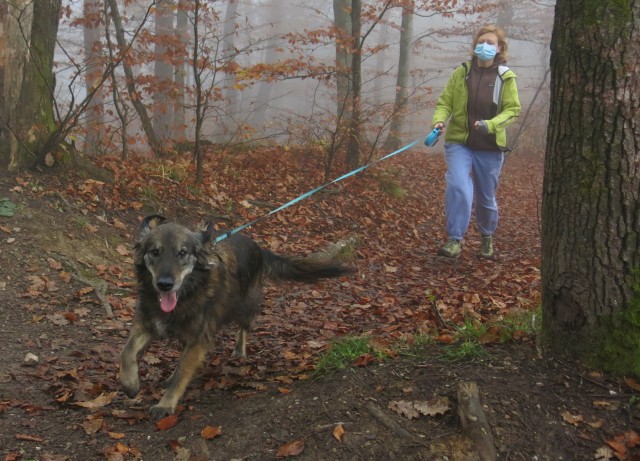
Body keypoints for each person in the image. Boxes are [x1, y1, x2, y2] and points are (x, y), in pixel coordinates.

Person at [431, 24, 521, 259]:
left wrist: (490, 124)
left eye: (491, 43)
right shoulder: (462, 73)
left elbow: (512, 110)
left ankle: (486, 235)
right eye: (481, 42)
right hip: (459, 142)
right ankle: (454, 239)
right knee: (459, 186)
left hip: (490, 146)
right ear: (474, 46)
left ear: (499, 48)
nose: (485, 46)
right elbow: (444, 103)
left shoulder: (505, 77)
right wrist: (439, 121)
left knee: (486, 196)